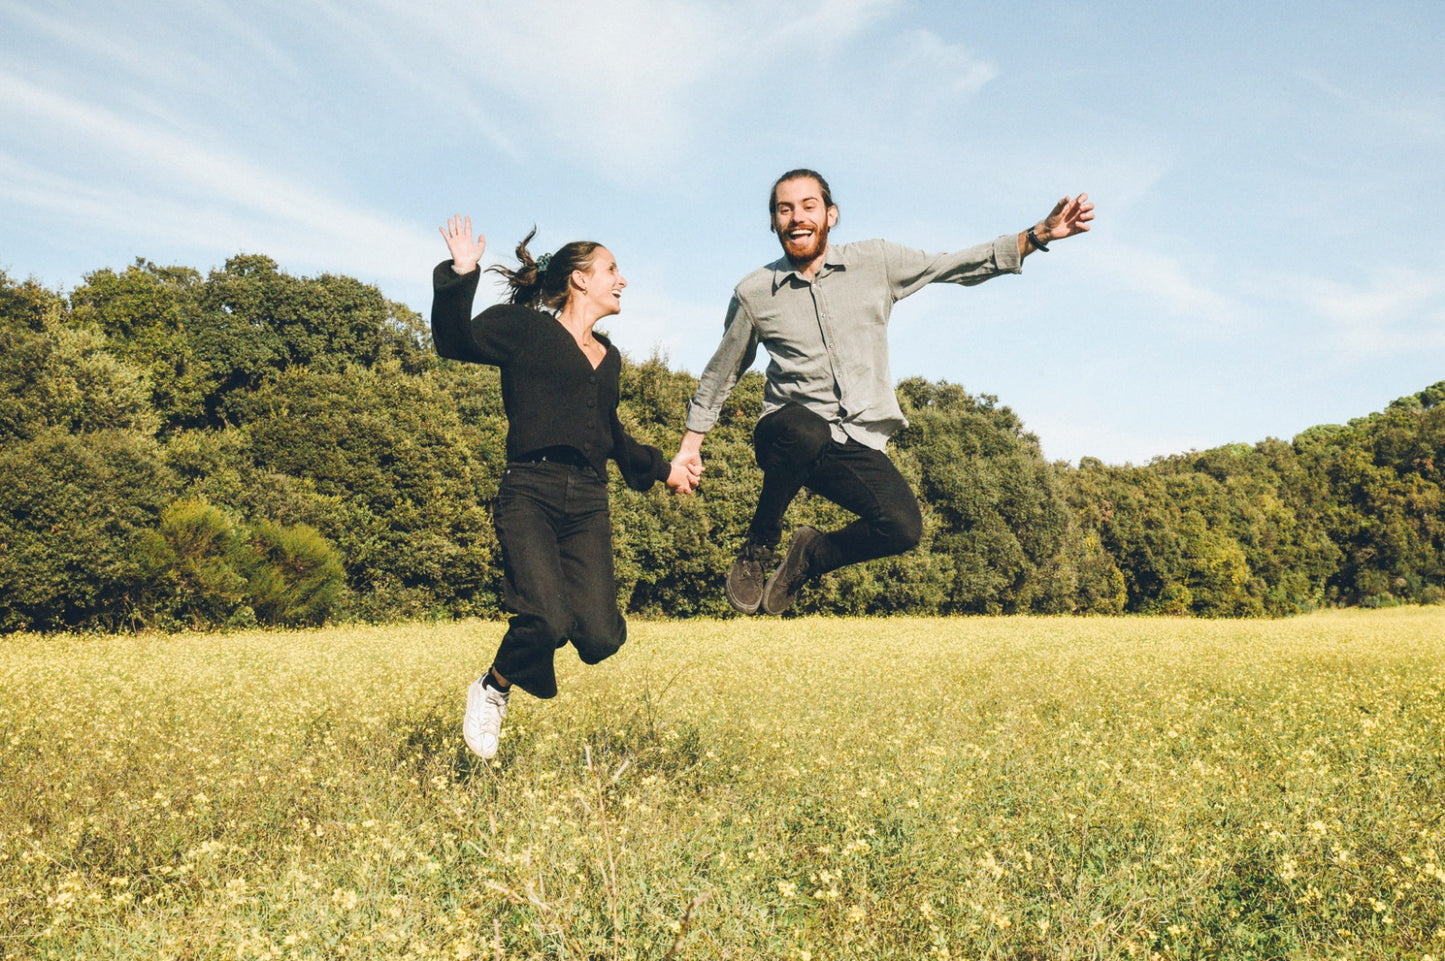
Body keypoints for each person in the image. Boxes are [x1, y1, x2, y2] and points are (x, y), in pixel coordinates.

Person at [671, 170, 1093, 616]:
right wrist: (689, 447)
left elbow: (952, 266)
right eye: (785, 209)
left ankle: (809, 556)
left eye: (808, 206)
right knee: (805, 426)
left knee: (902, 528)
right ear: (773, 222)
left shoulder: (876, 262)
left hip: (852, 439)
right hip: (785, 435)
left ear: (830, 215)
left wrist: (1037, 235)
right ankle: (759, 543)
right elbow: (722, 372)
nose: (797, 217)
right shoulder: (755, 292)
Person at [433, 215, 698, 760]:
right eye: (611, 269)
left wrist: (663, 468)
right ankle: (493, 687)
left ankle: (540, 651)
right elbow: (453, 341)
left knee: (602, 638)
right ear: (579, 279)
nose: (621, 280)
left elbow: (609, 434)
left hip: (588, 500)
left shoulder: (609, 357)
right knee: (547, 619)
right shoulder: (525, 329)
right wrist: (462, 273)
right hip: (530, 488)